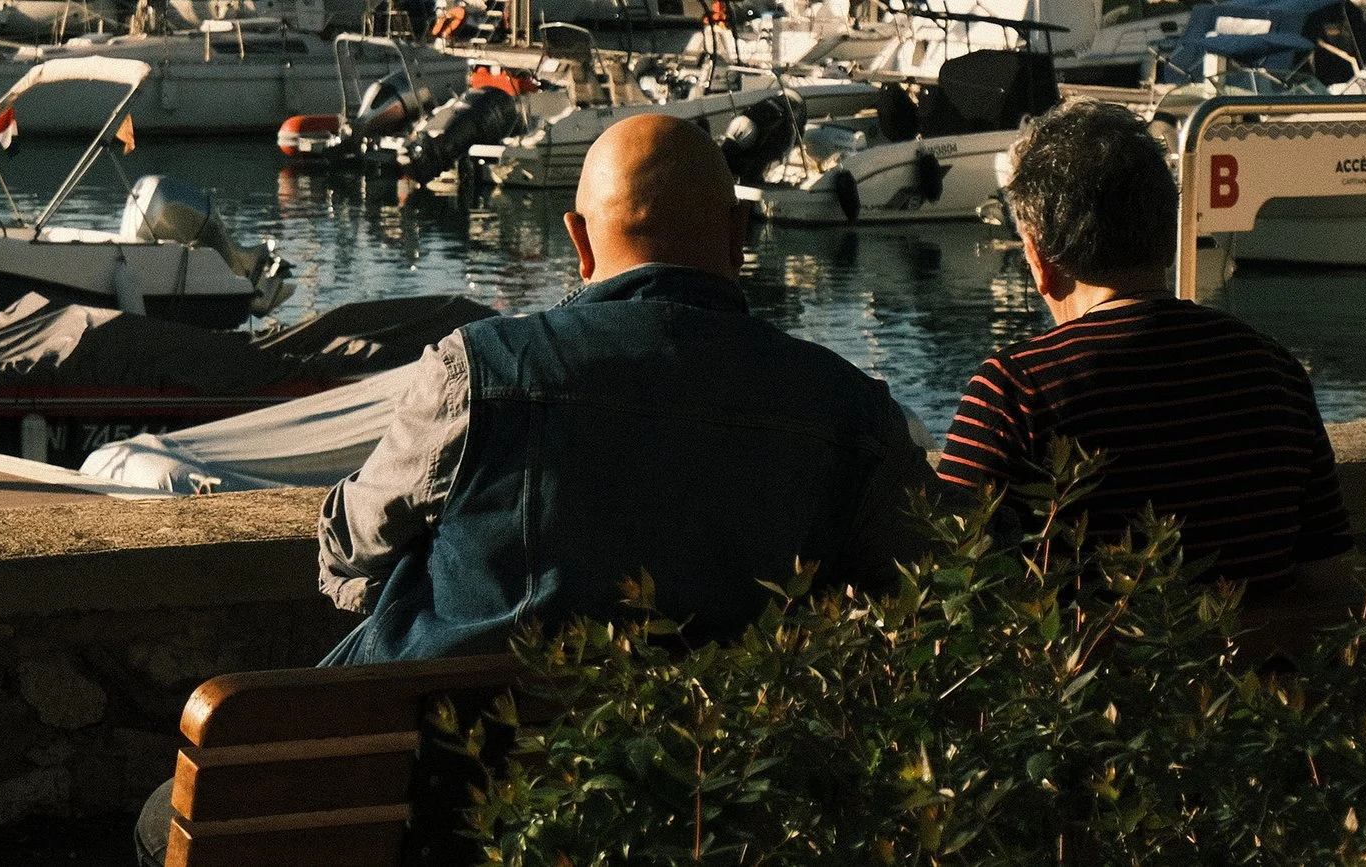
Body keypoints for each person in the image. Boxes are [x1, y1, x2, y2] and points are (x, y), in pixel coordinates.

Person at [315, 111, 938, 663]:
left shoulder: (478, 372)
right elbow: (935, 582)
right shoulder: (850, 409)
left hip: (470, 766)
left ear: (579, 241)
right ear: (738, 234)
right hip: (732, 774)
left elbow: (353, 546)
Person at [938, 100, 1351, 595]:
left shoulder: (1015, 391)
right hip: (1257, 668)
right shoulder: (1274, 371)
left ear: (1039, 258)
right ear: (1167, 237)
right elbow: (1327, 573)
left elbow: (948, 584)